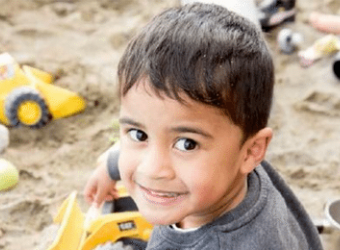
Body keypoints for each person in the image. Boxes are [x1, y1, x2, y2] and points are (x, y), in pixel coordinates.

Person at [84, 3, 323, 249]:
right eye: (139, 134)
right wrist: (111, 167)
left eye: (187, 144)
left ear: (252, 151)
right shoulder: (234, 166)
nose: (153, 169)